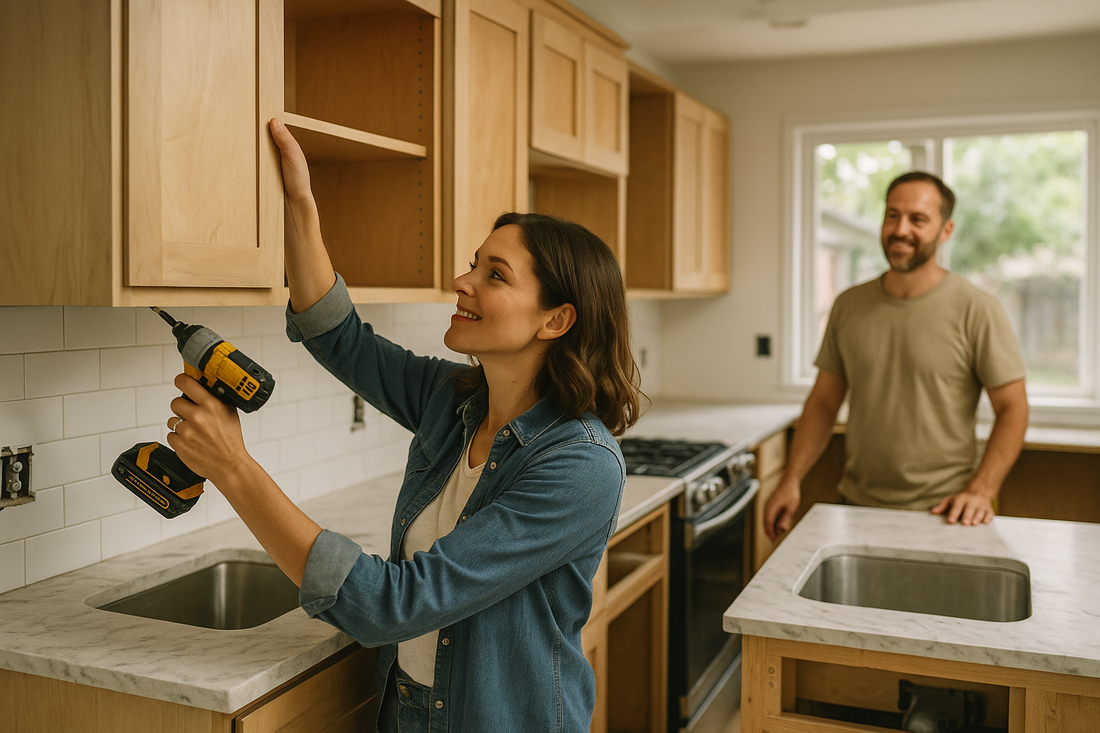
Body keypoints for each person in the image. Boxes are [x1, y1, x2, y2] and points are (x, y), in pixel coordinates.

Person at [163, 118, 642, 732]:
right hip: (411, 713)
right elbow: (339, 338)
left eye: (495, 275)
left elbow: (395, 605)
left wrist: (232, 467)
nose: (462, 281)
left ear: (555, 321)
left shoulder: (578, 466)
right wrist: (299, 204)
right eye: (475, 264)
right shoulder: (455, 400)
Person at [764, 170, 1029, 541]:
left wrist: (981, 491)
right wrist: (790, 479)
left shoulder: (976, 309)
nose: (901, 229)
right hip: (858, 506)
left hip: (947, 512)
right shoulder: (848, 305)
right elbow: (823, 403)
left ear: (946, 230)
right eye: (892, 215)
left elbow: (1013, 408)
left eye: (918, 219)